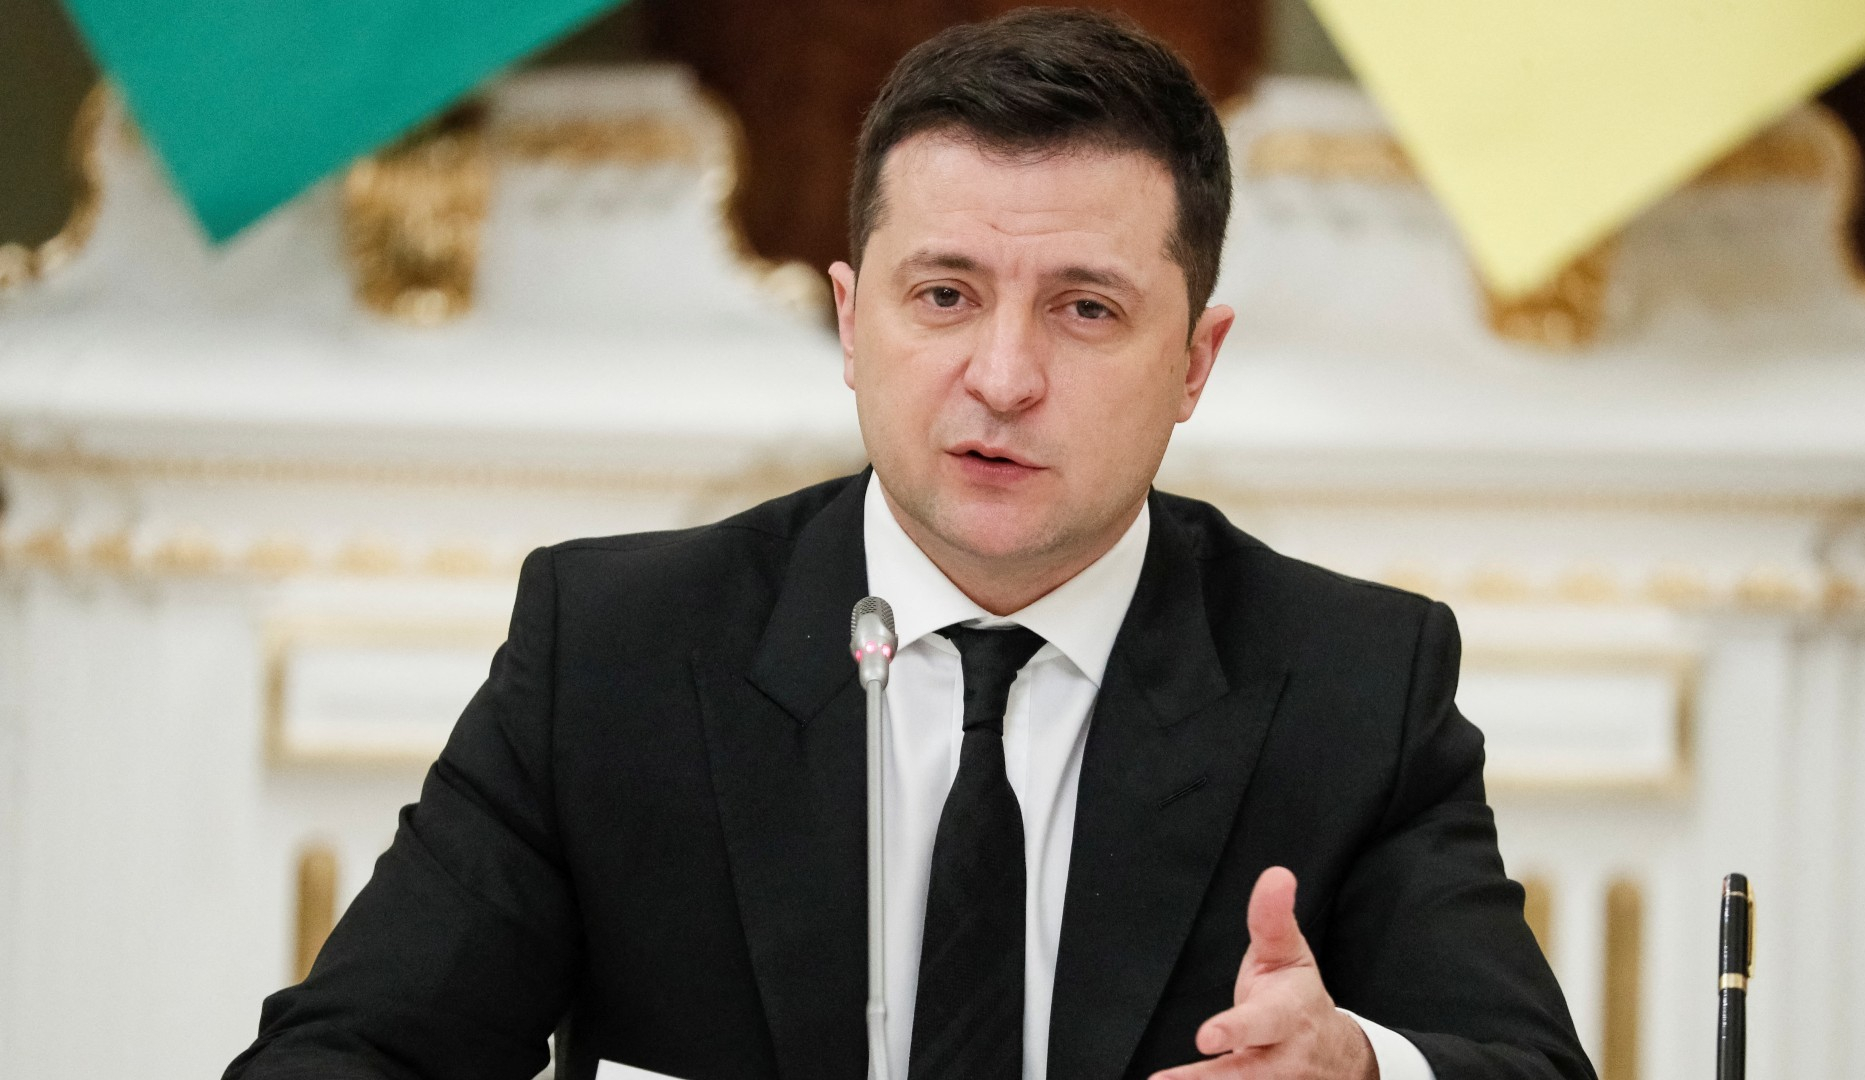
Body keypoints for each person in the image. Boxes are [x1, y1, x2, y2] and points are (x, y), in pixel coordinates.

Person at [226, 9, 1592, 1080]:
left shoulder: (1357, 686)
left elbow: (1528, 1067)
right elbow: (347, 1054)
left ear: (1194, 361)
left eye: (1086, 310)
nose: (1001, 376)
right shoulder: (613, 654)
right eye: (944, 295)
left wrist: (1365, 1069)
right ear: (850, 320)